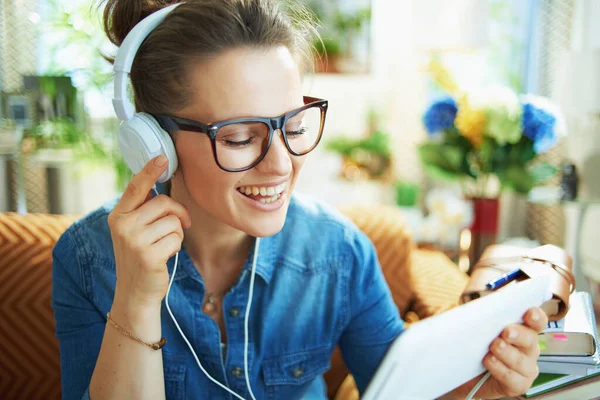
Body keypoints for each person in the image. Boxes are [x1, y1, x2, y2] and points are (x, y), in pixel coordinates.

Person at [51, 1, 548, 399]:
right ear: (154, 142)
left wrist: (487, 391)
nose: (282, 165)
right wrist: (136, 300)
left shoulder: (339, 251)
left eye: (292, 126)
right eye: (241, 137)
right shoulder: (88, 259)